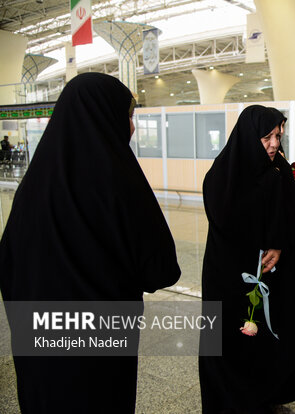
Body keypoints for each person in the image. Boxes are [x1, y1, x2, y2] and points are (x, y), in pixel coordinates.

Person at [0, 73, 181, 413]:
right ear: (106, 117)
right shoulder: (120, 181)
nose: (130, 127)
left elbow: (7, 265)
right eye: (128, 116)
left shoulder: (32, 186)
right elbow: (161, 270)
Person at [199, 105, 295, 414]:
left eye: (278, 136)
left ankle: (265, 397)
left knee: (267, 342)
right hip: (230, 277)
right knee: (232, 343)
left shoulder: (279, 170)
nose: (274, 144)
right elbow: (228, 222)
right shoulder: (224, 173)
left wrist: (280, 244)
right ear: (248, 135)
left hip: (271, 275)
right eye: (266, 137)